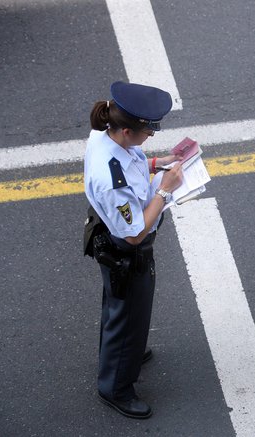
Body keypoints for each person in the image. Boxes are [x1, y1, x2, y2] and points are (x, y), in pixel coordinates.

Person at [83, 81, 183, 419]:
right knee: (127, 314)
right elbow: (135, 234)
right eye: (146, 132)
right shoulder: (113, 180)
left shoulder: (106, 135)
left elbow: (133, 160)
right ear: (126, 130)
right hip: (126, 251)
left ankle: (130, 349)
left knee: (122, 309)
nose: (150, 137)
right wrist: (165, 192)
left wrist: (157, 164)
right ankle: (115, 388)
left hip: (112, 240)